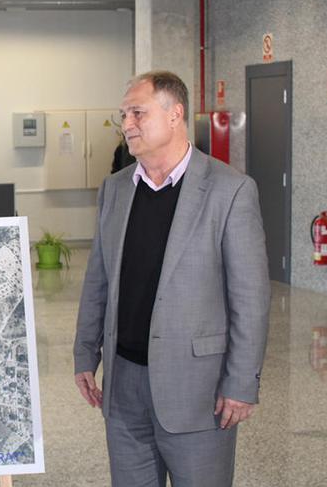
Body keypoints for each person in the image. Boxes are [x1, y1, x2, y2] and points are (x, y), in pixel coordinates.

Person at [73, 71, 270, 486]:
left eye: (138, 113)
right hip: (123, 386)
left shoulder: (229, 191)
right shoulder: (115, 190)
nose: (127, 124)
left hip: (198, 390)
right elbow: (99, 281)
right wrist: (84, 353)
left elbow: (250, 298)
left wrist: (241, 382)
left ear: (175, 114)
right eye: (124, 114)